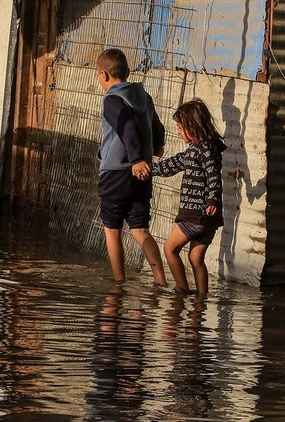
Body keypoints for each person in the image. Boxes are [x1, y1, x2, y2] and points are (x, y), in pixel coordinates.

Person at [96, 48, 167, 285]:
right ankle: (160, 280)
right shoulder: (144, 97)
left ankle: (119, 283)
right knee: (140, 229)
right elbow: (157, 127)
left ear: (104, 75)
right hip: (142, 174)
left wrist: (135, 159)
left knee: (112, 229)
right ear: (127, 71)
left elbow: (126, 126)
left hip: (117, 173)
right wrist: (155, 149)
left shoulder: (112, 100)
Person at [147, 99, 225, 296]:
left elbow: (213, 175)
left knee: (169, 249)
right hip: (209, 217)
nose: (179, 132)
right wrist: (149, 170)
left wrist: (212, 199)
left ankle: (182, 289)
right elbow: (172, 165)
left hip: (196, 212)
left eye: (181, 128)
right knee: (196, 258)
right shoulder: (197, 149)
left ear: (192, 126)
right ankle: (201, 299)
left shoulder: (205, 148)